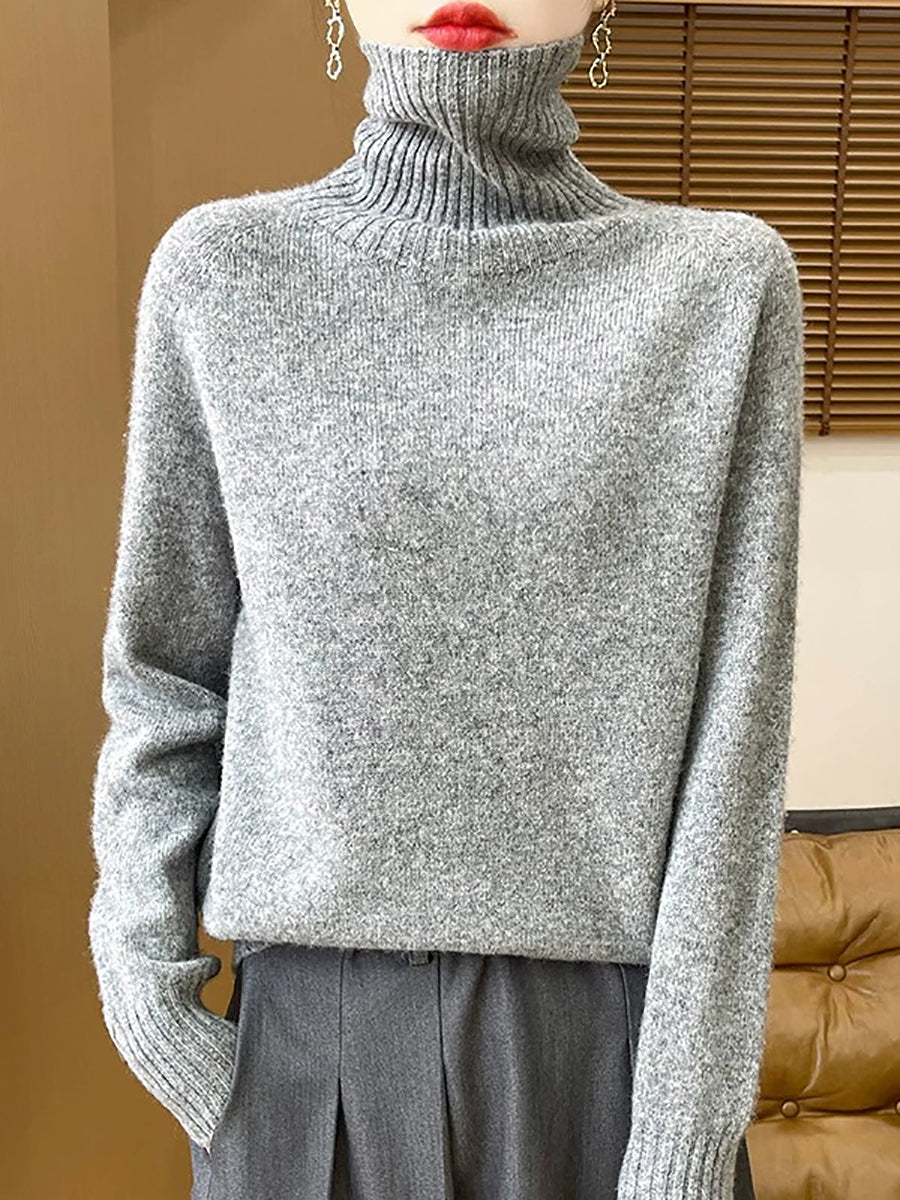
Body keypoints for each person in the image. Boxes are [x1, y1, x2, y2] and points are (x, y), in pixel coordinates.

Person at [87, 0, 805, 1196]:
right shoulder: (224, 273)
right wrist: (146, 985)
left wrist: (686, 1124)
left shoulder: (719, 285)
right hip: (302, 1054)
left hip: (609, 1061)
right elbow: (165, 672)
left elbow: (738, 734)